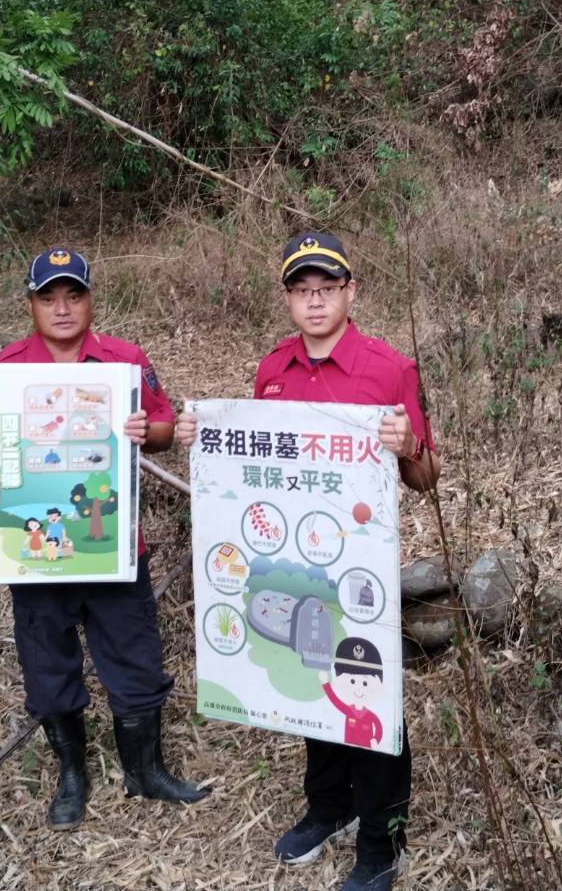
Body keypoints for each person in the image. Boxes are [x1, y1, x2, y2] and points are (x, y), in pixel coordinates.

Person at [178, 231, 439, 891]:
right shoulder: (273, 371)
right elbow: (252, 460)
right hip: (294, 566)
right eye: (301, 290)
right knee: (309, 685)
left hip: (360, 573)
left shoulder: (390, 369)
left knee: (369, 696)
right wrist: (201, 437)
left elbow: (427, 478)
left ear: (351, 291)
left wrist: (408, 445)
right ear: (288, 299)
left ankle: (382, 841)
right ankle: (329, 807)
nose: (315, 301)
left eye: (327, 288)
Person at [0, 247, 208, 831]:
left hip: (114, 547)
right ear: (30, 304)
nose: (62, 308)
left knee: (134, 657)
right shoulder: (4, 370)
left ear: (90, 298)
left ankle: (145, 771)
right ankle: (72, 776)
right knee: (47, 664)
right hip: (36, 559)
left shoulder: (124, 361)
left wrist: (146, 430)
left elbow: (164, 430)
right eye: (48, 297)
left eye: (73, 294)